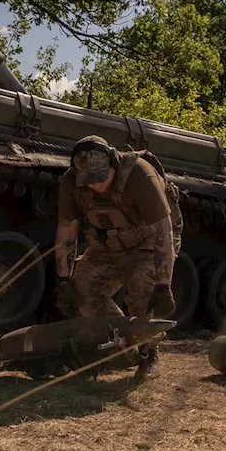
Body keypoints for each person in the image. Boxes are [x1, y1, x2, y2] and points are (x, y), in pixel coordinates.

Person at [54, 135, 182, 382]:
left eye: (101, 179)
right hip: (107, 244)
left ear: (114, 163)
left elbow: (163, 232)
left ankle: (148, 354)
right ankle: (121, 348)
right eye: (89, 181)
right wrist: (63, 280)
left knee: (142, 288)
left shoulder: (140, 176)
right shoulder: (72, 182)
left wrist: (164, 284)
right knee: (83, 290)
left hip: (148, 241)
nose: (95, 187)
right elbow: (67, 231)